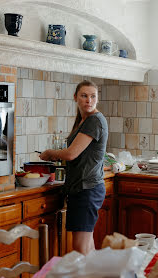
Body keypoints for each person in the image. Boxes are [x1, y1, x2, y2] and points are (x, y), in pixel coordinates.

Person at [40, 80, 108, 255]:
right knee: (87, 246)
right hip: (83, 188)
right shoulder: (84, 120)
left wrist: (50, 153)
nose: (89, 100)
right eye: (84, 96)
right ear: (75, 98)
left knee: (80, 248)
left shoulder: (94, 121)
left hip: (87, 189)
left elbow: (71, 154)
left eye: (93, 96)